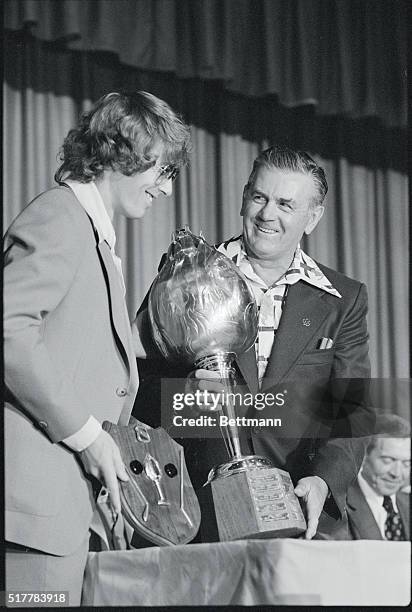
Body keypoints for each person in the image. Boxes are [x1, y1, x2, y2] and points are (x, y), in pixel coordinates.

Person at [4, 90, 191, 605]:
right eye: (163, 171)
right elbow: (8, 331)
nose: (166, 190)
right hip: (31, 515)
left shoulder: (95, 238)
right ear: (125, 151)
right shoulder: (61, 216)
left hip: (64, 514)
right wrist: (87, 436)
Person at [133, 144, 374, 541]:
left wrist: (323, 482)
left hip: (301, 517)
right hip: (196, 517)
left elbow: (350, 410)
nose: (267, 215)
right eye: (259, 197)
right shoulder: (184, 275)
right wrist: (186, 394)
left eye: (285, 204)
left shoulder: (343, 300)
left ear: (312, 218)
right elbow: (137, 390)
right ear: (244, 197)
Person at [345, 413, 410, 540]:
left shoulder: (407, 503)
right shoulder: (337, 506)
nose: (396, 473)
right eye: (388, 460)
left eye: (407, 463)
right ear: (363, 457)